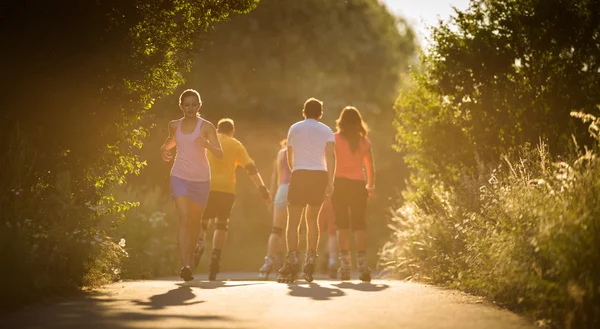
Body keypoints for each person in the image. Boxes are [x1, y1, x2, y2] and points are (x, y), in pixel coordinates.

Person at [192, 118, 271, 281]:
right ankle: (215, 257)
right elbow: (251, 168)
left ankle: (199, 243)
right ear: (231, 131)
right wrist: (263, 190)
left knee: (203, 220)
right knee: (221, 224)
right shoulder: (236, 144)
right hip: (227, 190)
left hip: (206, 187)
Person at [160, 89, 223, 282]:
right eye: (186, 105)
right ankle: (185, 265)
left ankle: (190, 261)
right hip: (179, 176)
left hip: (201, 179)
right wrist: (164, 150)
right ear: (181, 106)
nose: (190, 108)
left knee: (195, 223)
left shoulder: (207, 127)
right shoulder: (173, 125)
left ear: (199, 106)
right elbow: (172, 141)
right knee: (184, 218)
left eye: (194, 105)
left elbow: (219, 153)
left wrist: (207, 144)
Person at [277, 97, 336, 283]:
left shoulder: (294, 128)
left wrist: (297, 169)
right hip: (319, 176)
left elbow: (290, 156)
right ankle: (310, 259)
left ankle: (292, 259)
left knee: (293, 221)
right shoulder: (327, 130)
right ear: (320, 113)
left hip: (300, 173)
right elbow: (331, 157)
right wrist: (330, 182)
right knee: (312, 220)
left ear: (304, 111)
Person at [331, 106, 375, 282]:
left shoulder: (333, 139)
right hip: (358, 185)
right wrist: (370, 186)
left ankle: (345, 267)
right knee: (359, 224)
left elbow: (328, 162)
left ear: (341, 121)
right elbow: (370, 167)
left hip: (338, 184)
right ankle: (363, 267)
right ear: (358, 122)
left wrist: (327, 184)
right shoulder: (364, 142)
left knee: (341, 225)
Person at [258, 139, 290, 279]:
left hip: (283, 189)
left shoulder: (281, 153)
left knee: (276, 229)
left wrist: (273, 195)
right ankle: (288, 261)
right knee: (292, 229)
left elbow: (277, 177)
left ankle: (269, 262)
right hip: (298, 191)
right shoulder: (303, 153)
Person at [318, 199, 339, 279]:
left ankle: (309, 260)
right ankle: (332, 262)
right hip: (334, 199)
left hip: (322, 198)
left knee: (314, 230)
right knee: (332, 233)